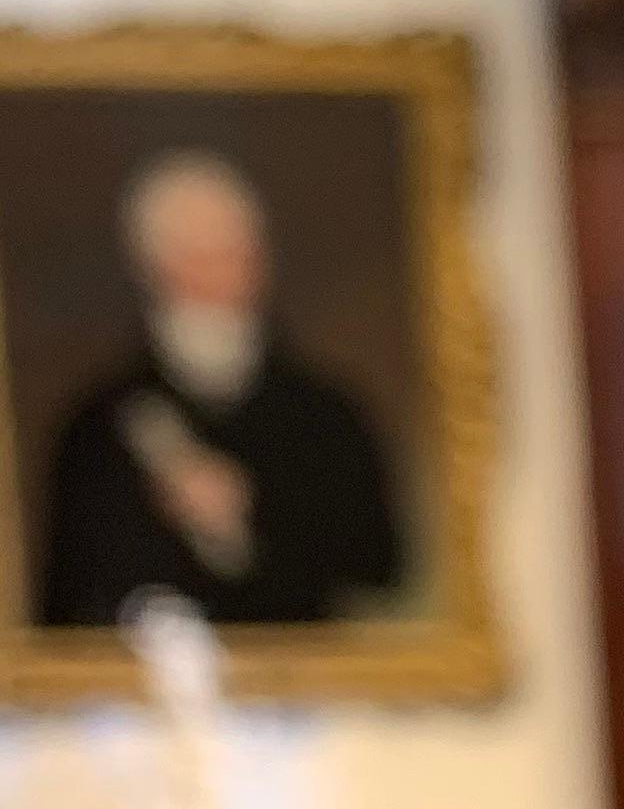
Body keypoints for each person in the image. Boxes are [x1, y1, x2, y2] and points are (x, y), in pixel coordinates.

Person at [37, 151, 404, 628]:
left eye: (236, 253)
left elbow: (378, 566)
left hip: (306, 682)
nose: (221, 278)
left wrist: (252, 511)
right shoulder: (98, 423)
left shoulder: (325, 412)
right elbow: (70, 600)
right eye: (195, 257)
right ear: (152, 269)